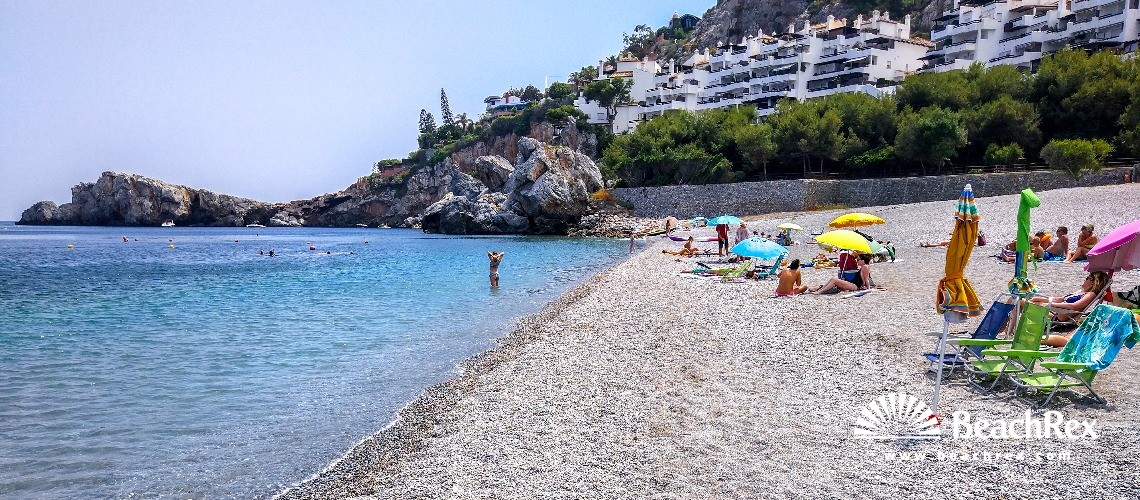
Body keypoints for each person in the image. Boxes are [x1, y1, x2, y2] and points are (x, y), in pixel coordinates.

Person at [1033, 271, 1111, 346]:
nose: (1085, 280)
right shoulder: (1081, 291)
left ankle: (1031, 335)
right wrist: (1041, 300)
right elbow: (1060, 299)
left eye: (1087, 278)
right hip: (1057, 312)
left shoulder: (1090, 294)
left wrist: (1049, 304)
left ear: (1092, 282)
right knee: (1028, 302)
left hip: (1064, 313)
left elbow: (1075, 306)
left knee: (1028, 306)